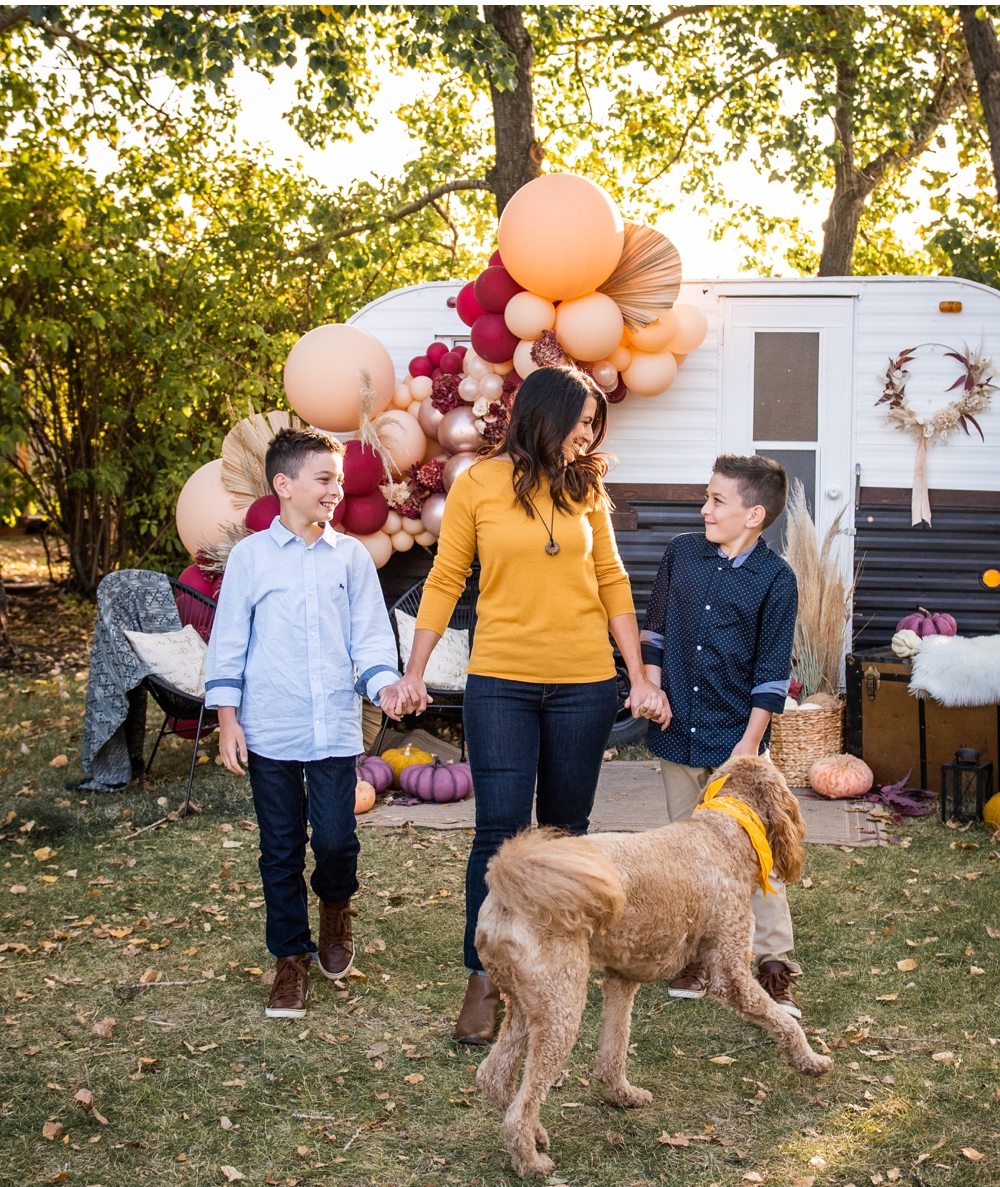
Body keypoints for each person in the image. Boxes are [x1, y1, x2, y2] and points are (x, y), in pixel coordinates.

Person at [385, 366, 665, 1043]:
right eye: (581, 423)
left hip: (582, 684)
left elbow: (612, 579)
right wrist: (413, 672)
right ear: (545, 417)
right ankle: (483, 977)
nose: (589, 435)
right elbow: (447, 577)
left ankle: (552, 966)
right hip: (501, 681)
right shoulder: (478, 483)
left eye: (595, 426)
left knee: (566, 832)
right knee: (501, 832)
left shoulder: (587, 486)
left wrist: (639, 675)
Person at [204, 428, 402, 1021]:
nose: (337, 490)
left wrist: (384, 685)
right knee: (281, 848)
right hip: (270, 727)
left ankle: (336, 906)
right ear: (283, 485)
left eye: (339, 480)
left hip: (334, 727)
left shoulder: (352, 559)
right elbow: (229, 642)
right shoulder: (250, 558)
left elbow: (369, 640)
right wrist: (227, 720)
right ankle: (290, 959)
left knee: (337, 840)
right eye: (325, 479)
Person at [639, 454, 804, 1016]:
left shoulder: (776, 581)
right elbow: (655, 633)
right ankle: (691, 955)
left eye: (717, 500)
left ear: (754, 514)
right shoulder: (681, 555)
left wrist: (749, 746)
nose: (704, 508)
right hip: (677, 730)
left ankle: (773, 963)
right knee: (682, 849)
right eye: (706, 498)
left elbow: (771, 675)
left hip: (737, 741)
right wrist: (654, 688)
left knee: (754, 853)